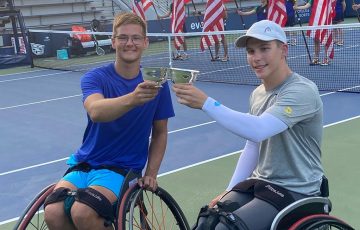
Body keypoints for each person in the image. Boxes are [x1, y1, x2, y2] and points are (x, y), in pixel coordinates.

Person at [172, 20, 324, 229]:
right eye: (251, 51)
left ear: (283, 50)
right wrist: (228, 190)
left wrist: (206, 103)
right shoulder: (257, 94)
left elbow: (259, 130)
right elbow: (253, 145)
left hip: (296, 189)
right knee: (207, 221)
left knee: (228, 227)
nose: (257, 57)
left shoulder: (302, 91)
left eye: (264, 48)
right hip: (260, 183)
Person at [44, 12, 175, 230]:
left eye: (135, 38)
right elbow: (96, 110)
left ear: (145, 42)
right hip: (84, 164)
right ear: (113, 42)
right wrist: (133, 98)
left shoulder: (157, 85)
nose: (129, 43)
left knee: (83, 212)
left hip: (123, 169)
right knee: (53, 212)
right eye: (123, 37)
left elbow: (160, 132)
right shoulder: (95, 78)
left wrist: (151, 173)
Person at [294, 0, 333, 65]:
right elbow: (307, 6)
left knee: (325, 40)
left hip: (325, 21)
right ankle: (316, 58)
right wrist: (297, 8)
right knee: (316, 39)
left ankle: (326, 58)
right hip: (316, 21)